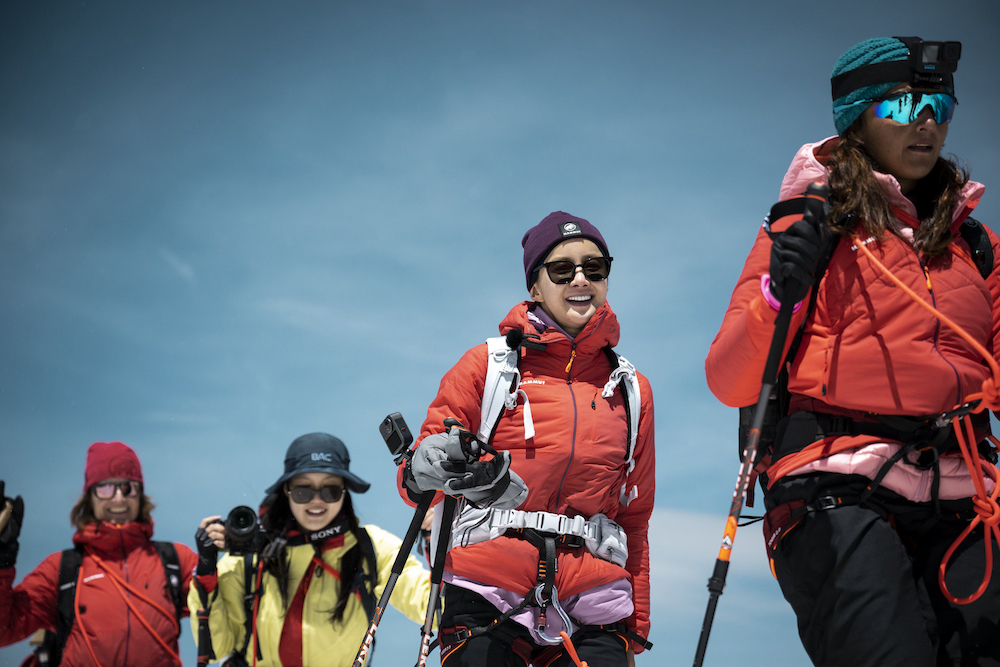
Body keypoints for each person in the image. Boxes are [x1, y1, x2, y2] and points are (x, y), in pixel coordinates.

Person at [706, 37, 1000, 666]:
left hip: (965, 498)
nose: (926, 121)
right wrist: (776, 295)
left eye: (939, 104)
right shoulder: (809, 224)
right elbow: (729, 380)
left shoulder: (977, 247)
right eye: (902, 106)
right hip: (835, 486)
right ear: (858, 119)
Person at [400, 212, 655, 666]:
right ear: (535, 287)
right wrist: (427, 464)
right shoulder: (488, 366)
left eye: (594, 268)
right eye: (562, 269)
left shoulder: (630, 389)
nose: (581, 278)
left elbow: (634, 515)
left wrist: (637, 624)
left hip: (596, 599)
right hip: (486, 587)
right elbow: (415, 478)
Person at [190, 432, 431, 667]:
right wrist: (206, 573)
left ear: (344, 492)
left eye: (330, 490)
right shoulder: (250, 558)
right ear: (287, 492)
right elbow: (213, 649)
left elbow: (433, 608)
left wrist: (437, 538)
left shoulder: (371, 548)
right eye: (303, 491)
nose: (317, 500)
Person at [0, 441, 198, 667]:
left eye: (128, 488)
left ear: (140, 495)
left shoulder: (174, 560)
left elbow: (226, 610)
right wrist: (2, 561)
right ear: (89, 497)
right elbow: (4, 630)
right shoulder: (62, 569)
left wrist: (232, 555)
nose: (118, 499)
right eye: (105, 488)